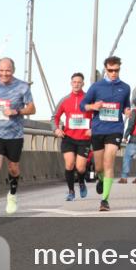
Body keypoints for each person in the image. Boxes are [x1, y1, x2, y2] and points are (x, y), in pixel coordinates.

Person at [0, 57, 35, 215]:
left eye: (8, 71)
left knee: (13, 168)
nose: (4, 74)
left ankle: (12, 195)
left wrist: (16, 111)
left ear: (13, 71)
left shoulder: (22, 87)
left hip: (14, 135)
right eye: (1, 71)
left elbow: (32, 109)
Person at [81, 56, 132, 212]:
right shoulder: (96, 87)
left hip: (115, 129)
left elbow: (126, 105)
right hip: (98, 129)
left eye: (116, 70)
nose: (113, 73)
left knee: (109, 161)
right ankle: (101, 179)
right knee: (98, 167)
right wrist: (93, 106)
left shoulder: (125, 87)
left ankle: (105, 200)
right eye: (110, 70)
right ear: (105, 70)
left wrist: (127, 111)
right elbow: (83, 106)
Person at [53, 72, 92, 201]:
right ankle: (71, 191)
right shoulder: (65, 100)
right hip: (68, 138)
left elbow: (98, 116)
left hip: (84, 139)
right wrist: (57, 129)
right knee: (69, 164)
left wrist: (93, 129)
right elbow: (55, 116)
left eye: (79, 82)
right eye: (74, 82)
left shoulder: (89, 99)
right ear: (71, 83)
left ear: (83, 84)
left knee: (80, 167)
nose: (76, 84)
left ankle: (81, 183)